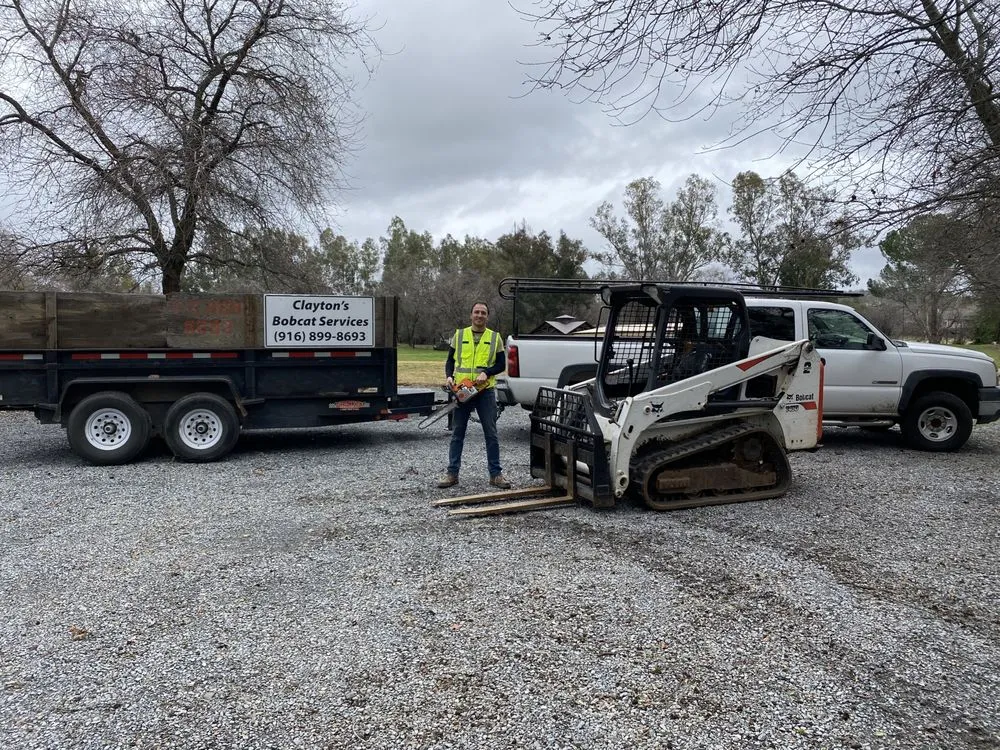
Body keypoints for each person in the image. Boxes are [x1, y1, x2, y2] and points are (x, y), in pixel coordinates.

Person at [437, 301, 511, 489]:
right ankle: (452, 474)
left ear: (487, 316)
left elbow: (501, 364)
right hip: (463, 391)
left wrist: (487, 372)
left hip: (485, 391)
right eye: (476, 312)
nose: (479, 315)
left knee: (491, 433)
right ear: (471, 315)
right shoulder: (459, 335)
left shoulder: (495, 337)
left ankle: (496, 475)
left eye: (483, 313)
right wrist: (449, 376)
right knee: (457, 433)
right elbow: (450, 361)